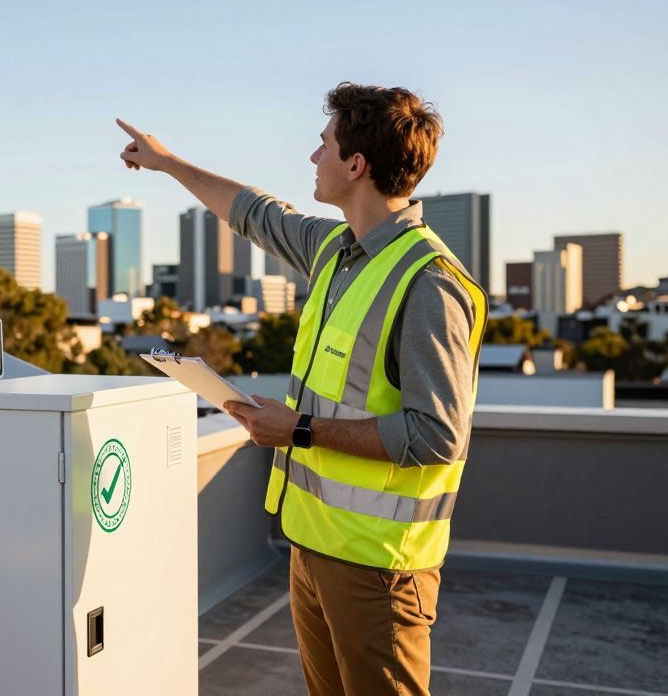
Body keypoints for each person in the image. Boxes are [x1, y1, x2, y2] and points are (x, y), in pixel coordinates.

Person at [116, 83, 487, 696]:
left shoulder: (430, 283)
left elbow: (437, 435)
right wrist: (167, 162)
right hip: (310, 545)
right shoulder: (336, 253)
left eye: (323, 146)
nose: (313, 158)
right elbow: (256, 213)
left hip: (379, 567)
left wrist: (300, 430)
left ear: (356, 165)